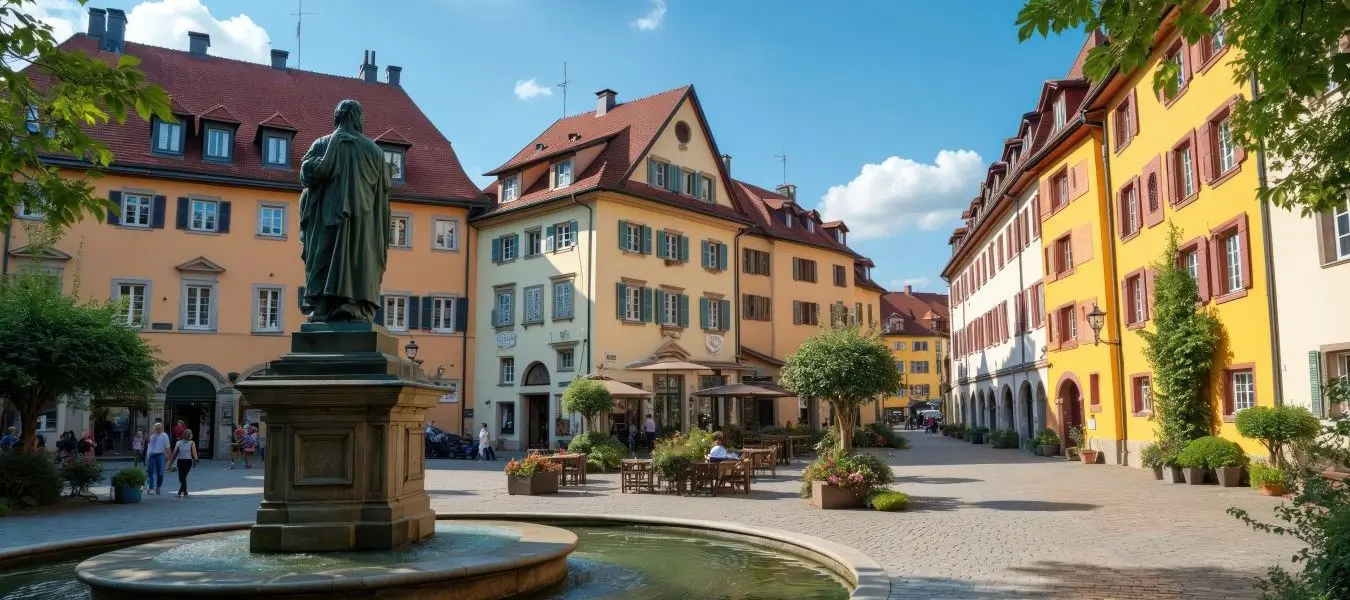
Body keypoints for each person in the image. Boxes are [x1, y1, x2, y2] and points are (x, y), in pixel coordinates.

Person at [168, 429, 199, 498]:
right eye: (187, 434)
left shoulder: (189, 443)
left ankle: (180, 491)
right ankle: (185, 491)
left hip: (185, 461)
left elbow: (194, 452)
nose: (188, 435)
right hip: (184, 461)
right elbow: (175, 453)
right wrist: (196, 459)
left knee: (182, 477)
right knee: (182, 477)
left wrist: (196, 460)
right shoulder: (181, 442)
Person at [145, 423, 170, 495]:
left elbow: (167, 447)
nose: (158, 430)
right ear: (154, 429)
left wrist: (169, 458)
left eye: (160, 428)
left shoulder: (165, 435)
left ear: (162, 429)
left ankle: (158, 486)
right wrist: (151, 434)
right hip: (152, 455)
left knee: (161, 473)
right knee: (150, 471)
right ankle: (151, 487)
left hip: (160, 454)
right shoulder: (152, 435)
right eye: (157, 428)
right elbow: (148, 440)